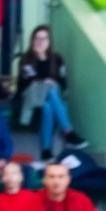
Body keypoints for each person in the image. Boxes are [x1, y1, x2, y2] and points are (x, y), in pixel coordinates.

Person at [16, 26, 82, 161]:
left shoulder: (57, 59)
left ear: (49, 41)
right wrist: (45, 81)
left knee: (48, 104)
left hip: (49, 97)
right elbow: (28, 81)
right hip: (30, 96)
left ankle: (46, 149)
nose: (40, 42)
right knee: (50, 88)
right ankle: (68, 131)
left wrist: (52, 81)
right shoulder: (26, 59)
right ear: (32, 40)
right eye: (37, 38)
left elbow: (63, 82)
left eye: (44, 38)